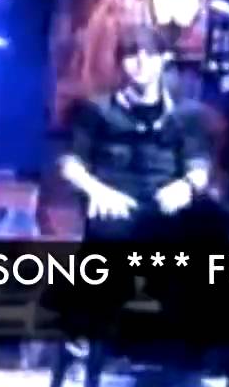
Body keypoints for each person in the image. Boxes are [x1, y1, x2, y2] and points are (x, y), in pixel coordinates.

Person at [53, 25, 215, 386]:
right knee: (100, 278)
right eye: (131, 55)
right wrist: (97, 190)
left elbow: (200, 168)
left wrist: (186, 186)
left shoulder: (186, 115)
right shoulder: (95, 110)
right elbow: (70, 163)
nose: (140, 63)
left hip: (165, 222)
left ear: (163, 60)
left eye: (148, 55)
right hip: (115, 218)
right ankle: (83, 365)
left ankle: (184, 374)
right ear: (121, 63)